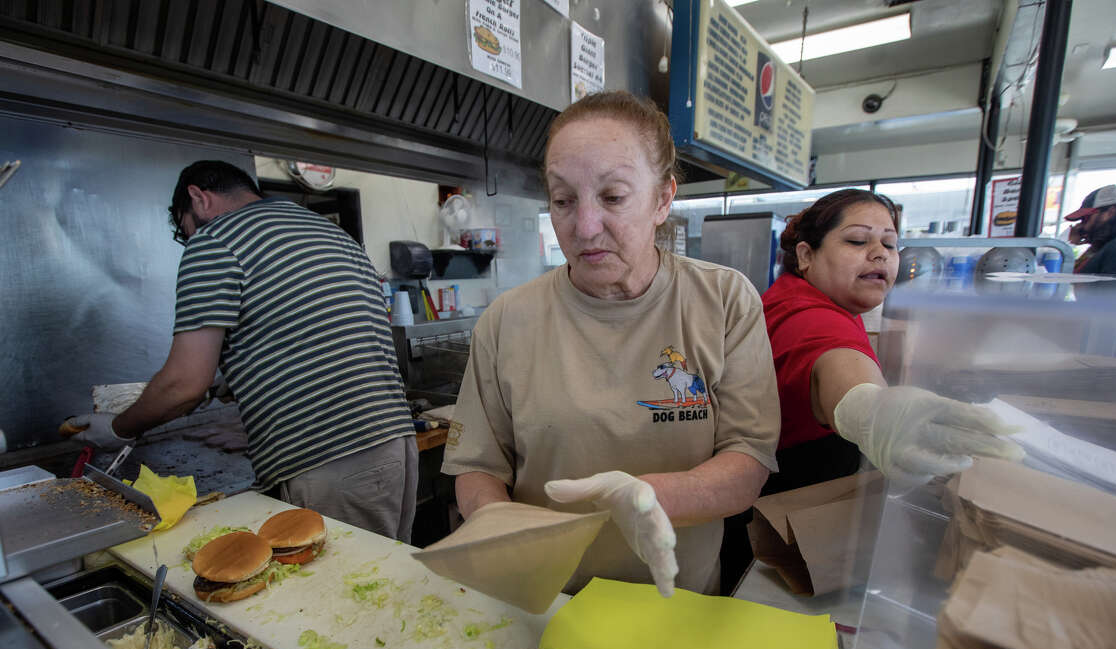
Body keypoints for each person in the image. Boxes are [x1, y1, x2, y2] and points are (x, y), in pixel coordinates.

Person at [441, 91, 780, 598]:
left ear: (663, 199)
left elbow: (747, 460)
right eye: (563, 200)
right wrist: (505, 531)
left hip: (679, 600)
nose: (584, 227)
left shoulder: (723, 301)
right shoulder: (507, 320)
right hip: (550, 600)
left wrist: (650, 497)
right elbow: (477, 468)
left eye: (613, 197)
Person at [66, 161, 419, 541]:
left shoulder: (215, 239)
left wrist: (117, 429)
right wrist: (240, 376)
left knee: (344, 594)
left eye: (184, 231)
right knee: (384, 584)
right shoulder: (327, 231)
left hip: (330, 461)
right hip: (394, 447)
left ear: (198, 198)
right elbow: (323, 334)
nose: (189, 239)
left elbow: (184, 385)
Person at [761, 189, 1023, 494]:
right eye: (857, 241)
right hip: (790, 505)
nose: (880, 253)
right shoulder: (811, 318)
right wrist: (870, 409)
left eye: (890, 244)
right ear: (806, 255)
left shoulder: (801, 294)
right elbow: (835, 358)